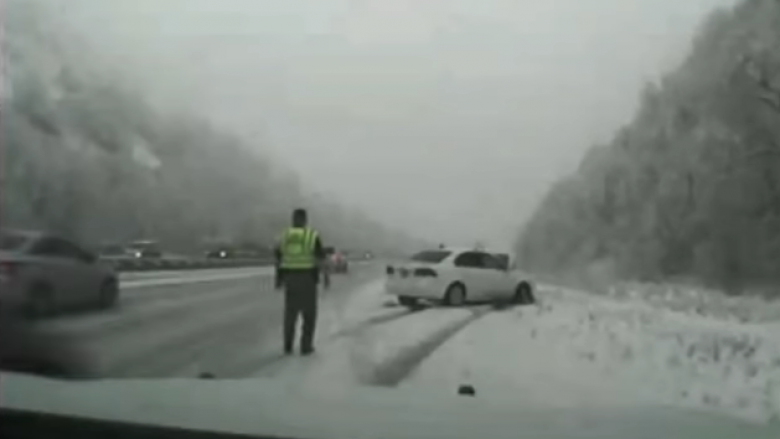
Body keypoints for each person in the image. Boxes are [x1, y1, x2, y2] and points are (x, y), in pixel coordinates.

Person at [274, 208, 327, 355]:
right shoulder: (311, 235)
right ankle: (306, 346)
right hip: (308, 279)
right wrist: (325, 277)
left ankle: (288, 345)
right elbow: (320, 259)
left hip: (290, 278)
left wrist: (278, 279)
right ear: (305, 220)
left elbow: (278, 259)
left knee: (290, 313)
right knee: (309, 314)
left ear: (293, 219)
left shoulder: (284, 236)